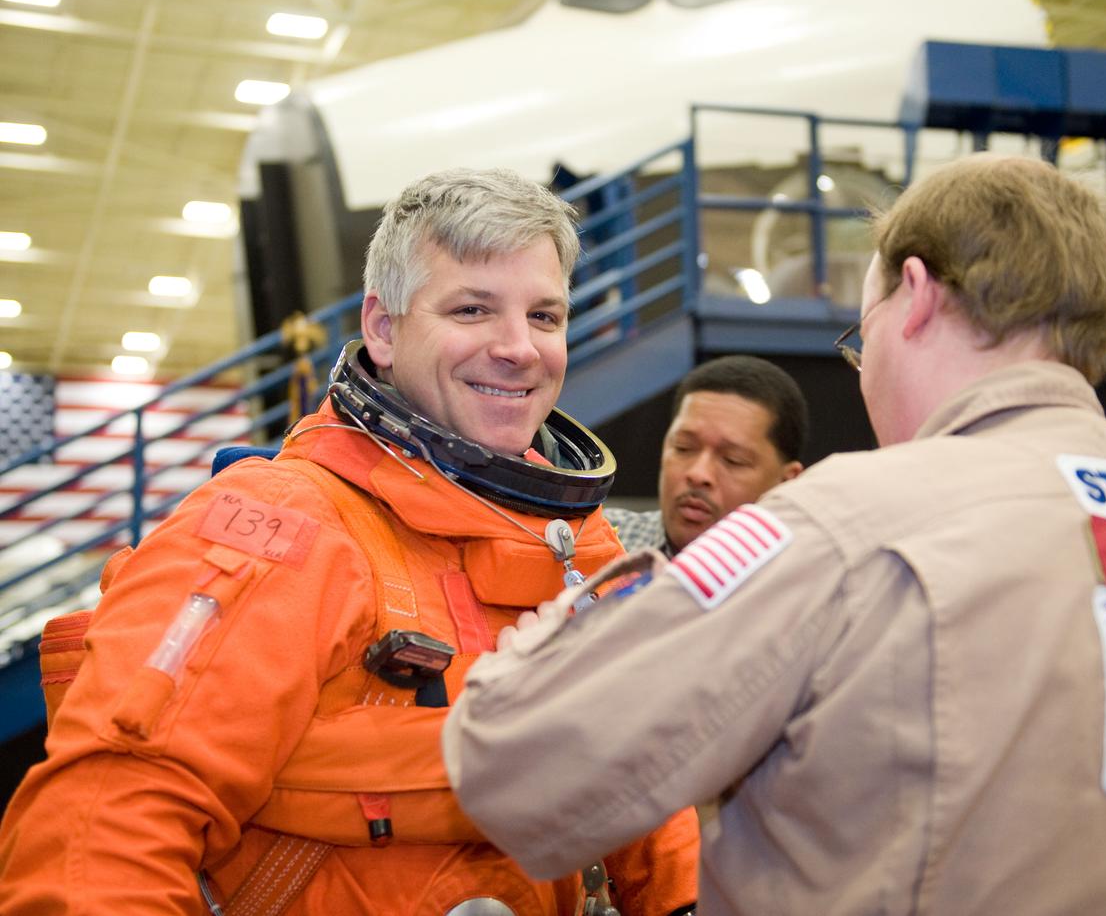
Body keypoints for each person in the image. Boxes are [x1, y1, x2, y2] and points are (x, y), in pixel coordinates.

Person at [442, 154, 1106, 914]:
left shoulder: (849, 524)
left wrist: (567, 614)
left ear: (913, 295)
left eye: (859, 335)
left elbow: (511, 761)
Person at [0, 168, 698, 916]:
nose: (519, 348)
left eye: (546, 316)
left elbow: (649, 781)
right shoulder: (285, 528)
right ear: (383, 327)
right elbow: (101, 827)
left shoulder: (573, 549)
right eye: (472, 309)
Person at [605, 354, 808, 556]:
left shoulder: (810, 581)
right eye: (683, 447)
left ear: (787, 482)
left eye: (733, 460)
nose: (698, 474)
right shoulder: (593, 543)